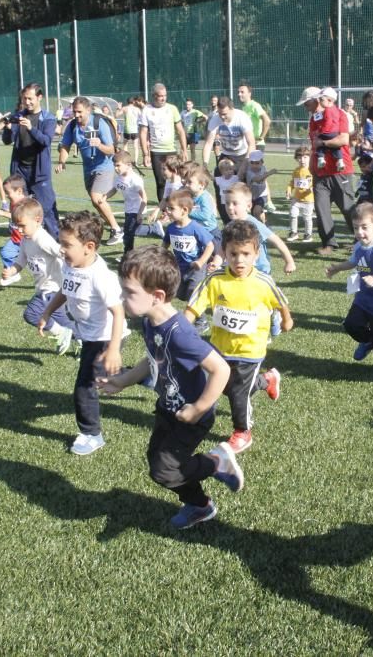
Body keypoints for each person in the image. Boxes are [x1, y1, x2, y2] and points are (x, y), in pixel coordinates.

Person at [98, 245, 243, 530]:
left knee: (165, 471)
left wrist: (199, 408)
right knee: (158, 465)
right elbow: (153, 358)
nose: (122, 298)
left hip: (190, 415)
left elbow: (221, 369)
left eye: (129, 292)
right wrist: (123, 381)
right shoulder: (152, 322)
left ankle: (217, 462)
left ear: (157, 296)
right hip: (168, 408)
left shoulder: (180, 335)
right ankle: (199, 505)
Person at [186, 220, 289, 454]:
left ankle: (243, 431)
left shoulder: (263, 282)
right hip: (220, 348)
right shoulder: (215, 280)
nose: (239, 260)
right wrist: (183, 325)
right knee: (224, 386)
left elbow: (280, 300)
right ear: (224, 252)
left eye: (245, 254)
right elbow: (195, 305)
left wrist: (286, 319)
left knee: (238, 393)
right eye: (233, 253)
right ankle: (268, 380)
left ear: (256, 253)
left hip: (250, 350)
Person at [37, 212, 128, 456]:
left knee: (85, 386)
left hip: (105, 337)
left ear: (89, 247)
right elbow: (64, 291)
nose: (61, 249)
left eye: (67, 245)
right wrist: (47, 313)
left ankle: (91, 434)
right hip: (89, 336)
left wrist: (114, 349)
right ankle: (151, 375)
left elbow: (119, 313)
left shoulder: (101, 276)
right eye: (60, 242)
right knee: (106, 376)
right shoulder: (71, 265)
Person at [325, 203, 373, 376]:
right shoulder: (358, 246)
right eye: (356, 228)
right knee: (351, 324)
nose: (359, 232)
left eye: (364, 227)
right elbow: (353, 262)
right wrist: (337, 268)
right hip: (363, 297)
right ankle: (367, 341)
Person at [1, 199, 74, 355]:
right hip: (44, 287)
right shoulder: (25, 240)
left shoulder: (41, 238)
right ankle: (85, 341)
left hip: (52, 288)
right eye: (16, 226)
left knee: (31, 313)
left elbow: (60, 252)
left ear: (37, 220)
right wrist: (12, 271)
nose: (19, 230)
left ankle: (61, 334)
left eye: (22, 226)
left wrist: (75, 264)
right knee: (64, 322)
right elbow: (22, 260)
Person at [56, 96, 124, 245]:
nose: (76, 115)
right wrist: (62, 161)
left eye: (79, 112)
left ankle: (117, 230)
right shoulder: (73, 126)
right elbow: (66, 145)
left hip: (104, 166)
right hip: (88, 169)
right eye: (74, 112)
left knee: (96, 197)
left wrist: (99, 145)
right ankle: (115, 229)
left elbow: (112, 149)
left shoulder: (99, 123)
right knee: (96, 203)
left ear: (88, 110)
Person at [298, 86, 356, 255]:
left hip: (340, 170)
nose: (304, 106)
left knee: (347, 207)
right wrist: (312, 163)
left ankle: (361, 239)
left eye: (306, 102)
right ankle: (329, 243)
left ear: (317, 99)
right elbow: (313, 143)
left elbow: (343, 139)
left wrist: (322, 144)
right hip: (320, 172)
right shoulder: (313, 119)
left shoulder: (339, 114)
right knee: (321, 207)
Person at [4, 83, 60, 239]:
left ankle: (56, 242)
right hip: (20, 170)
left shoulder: (48, 118)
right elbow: (7, 140)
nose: (27, 102)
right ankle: (23, 244)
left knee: (47, 209)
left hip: (39, 172)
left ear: (39, 97)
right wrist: (7, 129)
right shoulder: (18, 116)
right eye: (24, 99)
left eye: (30, 99)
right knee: (21, 208)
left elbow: (46, 141)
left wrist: (31, 128)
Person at [162, 189, 216, 302]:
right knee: (176, 292)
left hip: (196, 269)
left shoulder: (195, 228)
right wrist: (161, 257)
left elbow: (210, 245)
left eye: (171, 208)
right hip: (180, 267)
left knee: (194, 293)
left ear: (184, 210)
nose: (168, 211)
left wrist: (201, 261)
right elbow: (165, 244)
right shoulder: (171, 228)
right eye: (167, 208)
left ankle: (201, 319)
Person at [203, 97, 256, 205]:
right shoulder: (215, 119)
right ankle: (225, 214)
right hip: (226, 155)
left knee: (243, 189)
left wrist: (243, 166)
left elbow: (252, 144)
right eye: (220, 113)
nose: (222, 117)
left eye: (225, 114)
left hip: (243, 155)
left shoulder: (242, 118)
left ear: (232, 109)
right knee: (218, 178)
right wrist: (204, 165)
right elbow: (208, 144)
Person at [138, 84, 187, 201]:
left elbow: (180, 130)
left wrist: (184, 149)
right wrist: (146, 154)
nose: (163, 98)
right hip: (156, 152)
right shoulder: (146, 110)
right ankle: (164, 210)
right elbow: (143, 133)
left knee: (176, 180)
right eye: (160, 96)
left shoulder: (172, 109)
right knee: (161, 182)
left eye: (165, 95)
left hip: (171, 151)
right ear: (154, 96)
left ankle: (178, 206)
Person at [110, 151, 148, 252]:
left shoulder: (135, 180)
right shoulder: (119, 177)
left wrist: (140, 213)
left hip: (136, 210)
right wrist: (104, 197)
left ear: (128, 165)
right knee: (130, 232)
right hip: (128, 209)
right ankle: (151, 229)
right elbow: (114, 189)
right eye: (114, 165)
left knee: (128, 233)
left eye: (118, 165)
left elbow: (144, 198)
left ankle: (128, 254)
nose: (116, 168)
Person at [0, 174, 28, 286]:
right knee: (5, 253)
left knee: (39, 263)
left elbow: (20, 217)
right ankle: (12, 274)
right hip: (15, 239)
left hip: (27, 239)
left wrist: (4, 214)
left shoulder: (26, 204)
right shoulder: (13, 202)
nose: (6, 196)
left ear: (19, 191)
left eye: (8, 193)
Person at [286, 146, 314, 241]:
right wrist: (289, 189)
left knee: (307, 218)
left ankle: (308, 234)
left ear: (310, 158)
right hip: (296, 199)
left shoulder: (312, 170)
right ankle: (293, 233)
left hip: (308, 200)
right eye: (299, 158)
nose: (302, 160)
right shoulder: (296, 171)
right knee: (293, 214)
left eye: (305, 157)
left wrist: (312, 188)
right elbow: (293, 182)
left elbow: (316, 183)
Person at [243, 149, 277, 222]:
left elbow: (265, 182)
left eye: (257, 163)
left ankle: (262, 227)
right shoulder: (249, 171)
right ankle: (263, 224)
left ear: (262, 162)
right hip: (252, 196)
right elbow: (257, 179)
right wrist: (269, 173)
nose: (254, 165)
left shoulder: (263, 168)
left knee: (257, 211)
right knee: (255, 214)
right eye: (252, 163)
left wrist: (269, 199)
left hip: (261, 195)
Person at [238, 83, 271, 150]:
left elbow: (267, 120)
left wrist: (261, 137)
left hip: (256, 145)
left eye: (242, 92)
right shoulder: (244, 107)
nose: (239, 94)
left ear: (249, 93)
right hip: (247, 144)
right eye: (238, 92)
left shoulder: (254, 105)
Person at [181, 98, 207, 162]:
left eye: (189, 104)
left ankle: (193, 164)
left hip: (193, 133)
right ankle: (183, 163)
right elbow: (179, 122)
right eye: (187, 104)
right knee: (183, 150)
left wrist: (198, 121)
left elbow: (206, 117)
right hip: (184, 133)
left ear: (192, 105)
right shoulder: (183, 112)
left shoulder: (195, 112)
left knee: (192, 150)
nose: (187, 106)